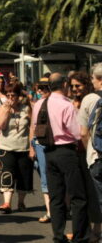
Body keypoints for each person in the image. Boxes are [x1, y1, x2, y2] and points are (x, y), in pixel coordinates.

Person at [31, 72, 89, 243]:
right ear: (64, 84)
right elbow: (76, 132)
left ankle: (58, 235)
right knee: (78, 196)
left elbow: (36, 127)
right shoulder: (67, 105)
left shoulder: (40, 103)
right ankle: (80, 236)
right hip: (67, 151)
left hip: (48, 151)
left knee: (56, 197)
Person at [0, 81, 32, 213]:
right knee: (7, 173)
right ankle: (7, 203)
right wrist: (6, 111)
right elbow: (1, 125)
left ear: (19, 96)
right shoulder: (3, 108)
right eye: (8, 95)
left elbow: (32, 126)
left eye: (13, 95)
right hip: (6, 146)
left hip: (23, 147)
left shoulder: (26, 108)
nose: (11, 98)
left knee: (23, 175)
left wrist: (32, 146)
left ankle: (21, 202)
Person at [80, 65, 102, 242]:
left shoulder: (91, 99)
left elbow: (83, 132)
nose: (92, 82)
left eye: (93, 79)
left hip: (98, 157)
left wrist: (91, 152)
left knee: (99, 198)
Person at [29, 76, 53, 223]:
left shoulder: (62, 103)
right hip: (40, 144)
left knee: (53, 177)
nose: (40, 90)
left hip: (56, 145)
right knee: (44, 177)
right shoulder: (38, 104)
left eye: (44, 87)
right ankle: (50, 211)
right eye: (39, 87)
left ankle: (58, 208)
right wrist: (31, 147)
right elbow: (33, 126)